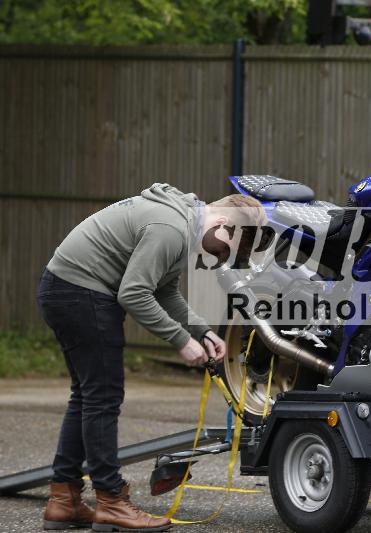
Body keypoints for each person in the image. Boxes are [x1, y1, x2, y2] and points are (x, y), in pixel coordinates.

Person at [37, 183, 263, 531]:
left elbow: (163, 290)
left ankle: (63, 499)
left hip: (65, 288)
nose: (222, 258)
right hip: (81, 292)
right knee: (103, 397)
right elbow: (134, 292)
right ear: (223, 224)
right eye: (229, 249)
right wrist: (180, 341)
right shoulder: (170, 229)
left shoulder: (182, 224)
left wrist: (201, 332)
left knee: (88, 396)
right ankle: (111, 501)